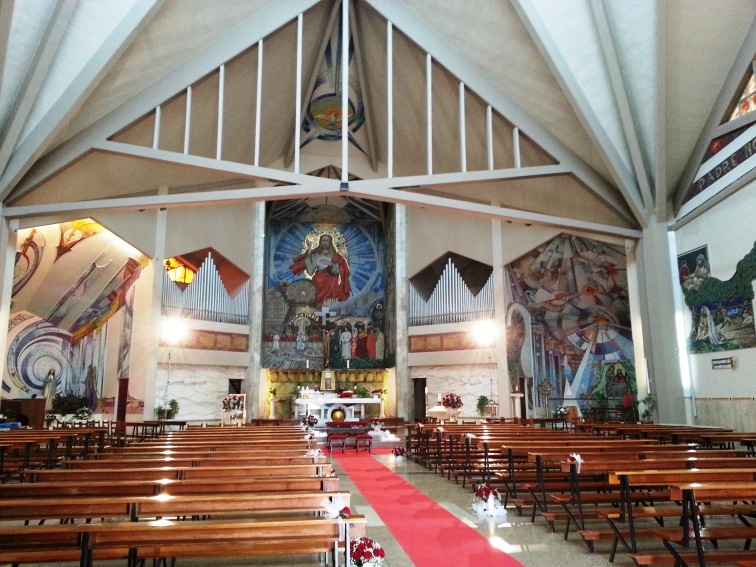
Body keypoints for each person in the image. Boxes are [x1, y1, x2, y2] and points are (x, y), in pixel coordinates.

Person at [290, 234, 351, 306]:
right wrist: (309, 253)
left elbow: (345, 271)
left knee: (329, 306)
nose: (325, 242)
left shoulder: (336, 257)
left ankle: (327, 314)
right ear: (320, 242)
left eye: (327, 241)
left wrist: (332, 264)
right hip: (317, 285)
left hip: (332, 286)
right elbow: (310, 272)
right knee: (317, 305)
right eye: (323, 241)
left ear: (330, 242)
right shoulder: (316, 255)